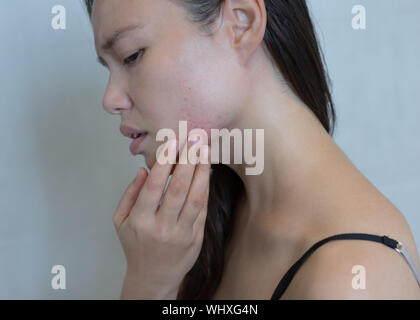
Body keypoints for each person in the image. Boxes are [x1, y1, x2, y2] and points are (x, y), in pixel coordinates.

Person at [84, 0, 420, 299]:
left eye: (132, 55)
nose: (110, 99)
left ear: (241, 24)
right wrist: (151, 280)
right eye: (109, 67)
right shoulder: (204, 224)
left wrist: (150, 288)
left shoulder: (354, 277)